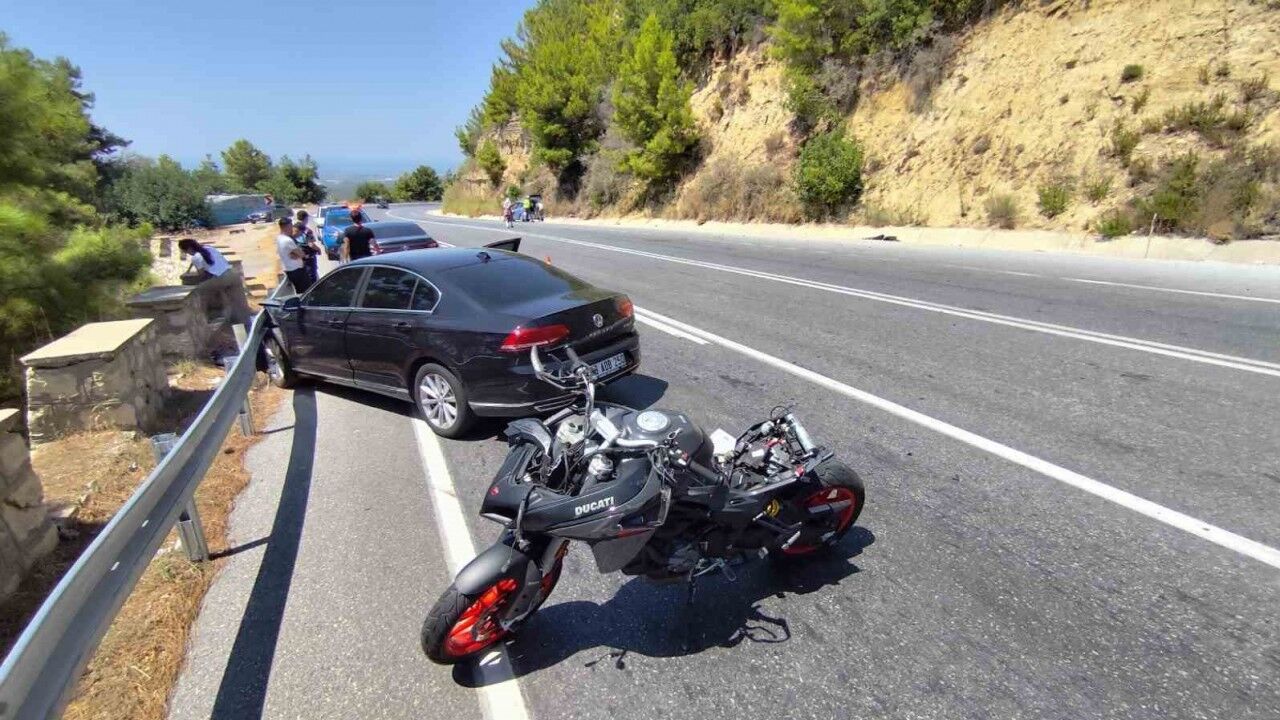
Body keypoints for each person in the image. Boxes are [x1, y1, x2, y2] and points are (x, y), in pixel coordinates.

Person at [177, 238, 252, 327]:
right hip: (233, 274)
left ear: (189, 249)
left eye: (185, 251)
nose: (187, 253)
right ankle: (246, 325)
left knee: (197, 292)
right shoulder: (209, 248)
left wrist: (196, 281)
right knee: (239, 303)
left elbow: (202, 275)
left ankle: (209, 317)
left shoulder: (196, 257)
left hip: (221, 278)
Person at [276, 217, 312, 293]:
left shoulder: (279, 238)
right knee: (306, 292)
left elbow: (294, 254)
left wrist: (295, 255)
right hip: (296, 270)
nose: (292, 229)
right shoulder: (287, 240)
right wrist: (299, 254)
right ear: (286, 227)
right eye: (290, 226)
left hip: (290, 269)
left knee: (300, 291)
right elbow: (302, 254)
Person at [293, 211, 322, 284]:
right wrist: (318, 249)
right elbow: (311, 244)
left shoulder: (293, 228)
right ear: (306, 218)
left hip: (297, 255)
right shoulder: (307, 230)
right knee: (311, 276)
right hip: (308, 257)